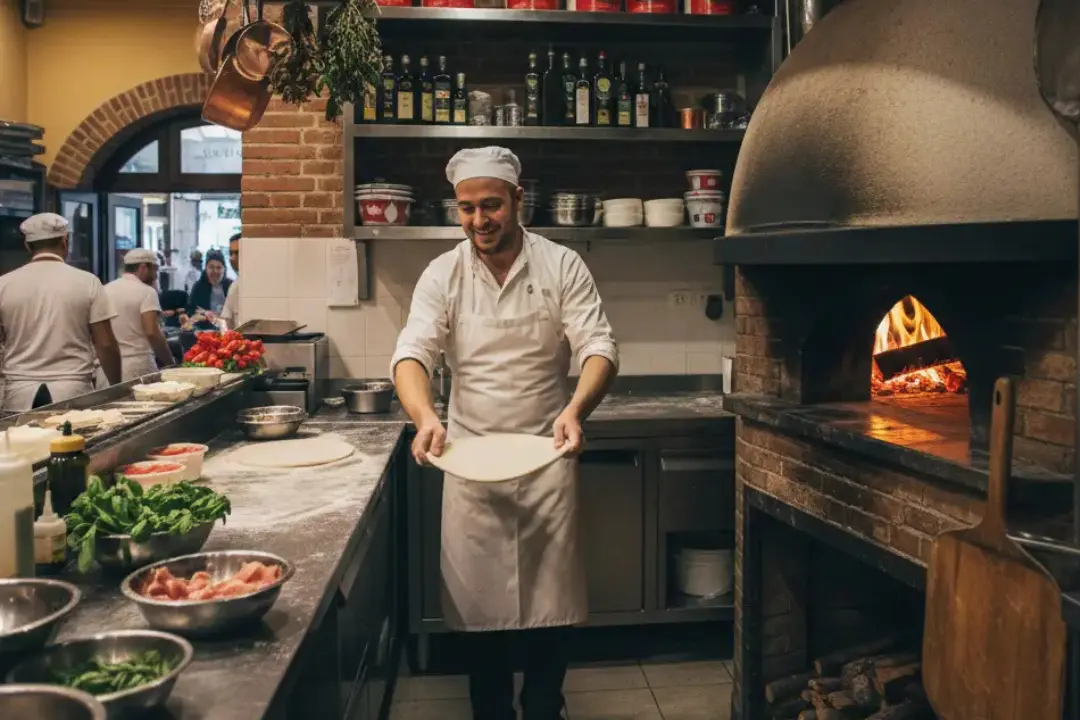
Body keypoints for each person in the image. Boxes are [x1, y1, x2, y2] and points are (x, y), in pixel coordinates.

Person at [390, 147, 619, 720]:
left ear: (519, 200)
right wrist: (426, 417)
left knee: (552, 605)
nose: (477, 220)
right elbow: (412, 352)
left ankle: (545, 707)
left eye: (491, 205)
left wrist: (575, 410)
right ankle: (490, 711)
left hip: (546, 454)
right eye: (466, 208)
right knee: (479, 610)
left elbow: (598, 347)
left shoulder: (562, 265)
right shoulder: (443, 272)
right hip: (470, 460)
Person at [0, 213, 122, 411]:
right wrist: (117, 387)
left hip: (18, 395)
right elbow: (106, 344)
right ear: (65, 242)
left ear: (28, 246)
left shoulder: (4, 285)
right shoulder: (88, 282)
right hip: (73, 393)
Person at [104, 249, 175, 381]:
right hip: (138, 367)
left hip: (107, 369)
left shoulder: (105, 289)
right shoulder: (147, 292)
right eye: (155, 270)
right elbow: (152, 332)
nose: (156, 276)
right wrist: (170, 362)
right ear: (143, 267)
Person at [186, 249, 233, 318]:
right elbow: (190, 310)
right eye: (211, 267)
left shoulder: (231, 286)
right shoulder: (198, 286)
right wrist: (203, 313)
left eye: (218, 267)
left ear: (224, 269)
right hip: (204, 326)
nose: (215, 271)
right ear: (206, 269)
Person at [220, 232, 242, 328]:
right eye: (230, 253)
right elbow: (225, 324)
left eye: (237, 253)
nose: (232, 258)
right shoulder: (234, 286)